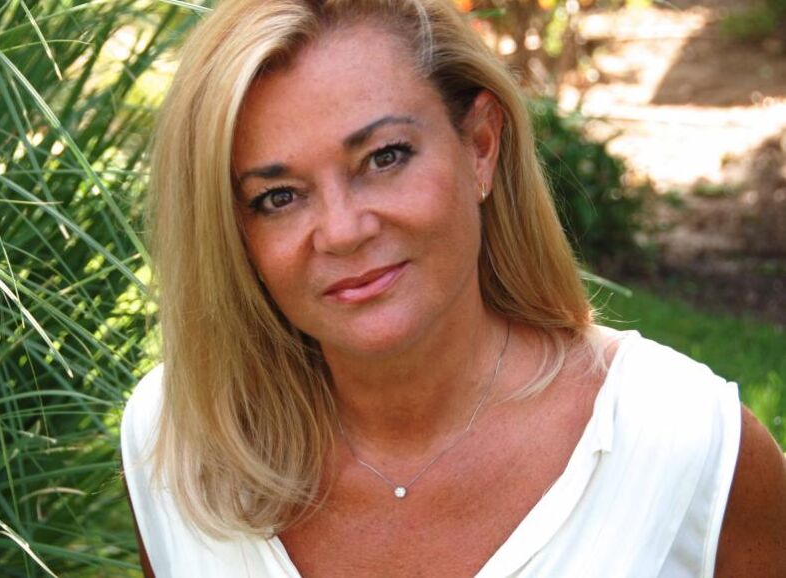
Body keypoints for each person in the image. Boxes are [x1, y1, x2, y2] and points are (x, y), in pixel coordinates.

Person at [121, 0, 786, 575]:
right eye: (278, 197)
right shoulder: (175, 444)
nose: (343, 231)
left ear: (480, 146)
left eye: (383, 158)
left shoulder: (685, 445)